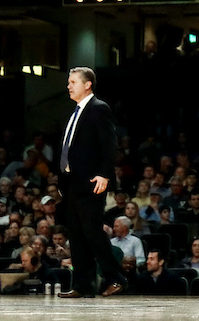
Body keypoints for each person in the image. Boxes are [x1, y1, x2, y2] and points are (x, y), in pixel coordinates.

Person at [56, 66, 131, 298]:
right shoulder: (76, 111)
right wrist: (63, 179)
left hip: (91, 181)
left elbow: (109, 144)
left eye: (73, 82)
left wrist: (105, 174)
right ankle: (82, 284)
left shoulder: (99, 108)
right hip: (72, 182)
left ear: (87, 84)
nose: (68, 86)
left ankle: (116, 278)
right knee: (77, 236)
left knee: (92, 233)